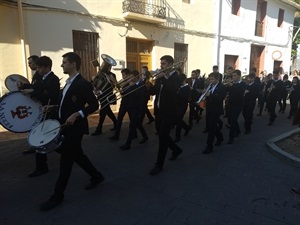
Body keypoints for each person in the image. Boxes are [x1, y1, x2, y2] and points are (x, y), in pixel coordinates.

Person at [40, 52, 104, 211]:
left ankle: (57, 196)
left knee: (66, 161)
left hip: (75, 129)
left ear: (73, 64)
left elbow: (94, 105)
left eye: (64, 62)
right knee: (78, 156)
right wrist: (54, 107)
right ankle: (96, 176)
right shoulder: (67, 82)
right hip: (64, 126)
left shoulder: (82, 84)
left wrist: (78, 114)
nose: (61, 65)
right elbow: (66, 103)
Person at [21, 56, 61, 177]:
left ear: (47, 67)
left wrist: (33, 92)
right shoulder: (43, 78)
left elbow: (50, 97)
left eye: (39, 67)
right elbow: (37, 89)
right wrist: (25, 87)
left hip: (48, 112)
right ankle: (71, 153)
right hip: (42, 111)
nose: (37, 70)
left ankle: (42, 167)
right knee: (46, 139)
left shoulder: (53, 79)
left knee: (42, 138)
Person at [149, 55, 182, 175]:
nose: (161, 66)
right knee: (162, 135)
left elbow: (172, 90)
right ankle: (176, 149)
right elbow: (153, 91)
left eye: (163, 64)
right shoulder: (160, 77)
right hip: (158, 110)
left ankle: (159, 165)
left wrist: (162, 78)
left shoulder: (176, 77)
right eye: (161, 63)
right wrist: (146, 82)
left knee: (163, 137)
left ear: (169, 64)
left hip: (169, 112)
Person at [119, 70, 148, 150]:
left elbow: (142, 99)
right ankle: (145, 136)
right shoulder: (131, 85)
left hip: (137, 108)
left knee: (132, 126)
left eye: (132, 77)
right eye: (130, 77)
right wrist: (123, 87)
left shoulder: (141, 85)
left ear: (137, 77)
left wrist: (141, 112)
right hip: (131, 107)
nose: (130, 78)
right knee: (138, 124)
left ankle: (128, 143)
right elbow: (125, 93)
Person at [21, 55, 43, 154]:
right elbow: (34, 87)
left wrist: (31, 89)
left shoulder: (40, 75)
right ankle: (34, 145)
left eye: (30, 63)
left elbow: (39, 90)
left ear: (36, 63)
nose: (29, 65)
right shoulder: (36, 74)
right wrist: (24, 86)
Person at [202, 72, 226, 154]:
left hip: (216, 110)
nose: (210, 81)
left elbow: (220, 98)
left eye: (212, 79)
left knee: (211, 128)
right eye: (209, 79)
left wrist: (210, 95)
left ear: (217, 79)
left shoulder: (222, 87)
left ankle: (209, 146)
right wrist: (204, 94)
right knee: (212, 125)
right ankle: (220, 137)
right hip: (209, 108)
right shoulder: (210, 86)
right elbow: (209, 96)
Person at [91, 68, 117, 135]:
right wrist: (93, 81)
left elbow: (114, 86)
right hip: (100, 96)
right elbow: (94, 84)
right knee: (107, 111)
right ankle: (116, 123)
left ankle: (99, 129)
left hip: (107, 96)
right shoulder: (100, 75)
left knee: (103, 112)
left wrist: (110, 80)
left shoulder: (112, 75)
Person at [226, 69, 246, 144]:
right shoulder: (232, 84)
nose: (233, 77)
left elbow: (239, 93)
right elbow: (227, 91)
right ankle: (238, 130)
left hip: (238, 104)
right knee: (231, 119)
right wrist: (227, 86)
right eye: (232, 76)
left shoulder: (242, 84)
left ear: (239, 76)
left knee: (233, 119)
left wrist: (232, 85)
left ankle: (231, 137)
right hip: (231, 104)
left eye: (235, 76)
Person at [175, 73, 191, 142]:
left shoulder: (187, 88)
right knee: (177, 119)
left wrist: (178, 94)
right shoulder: (178, 86)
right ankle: (187, 127)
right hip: (176, 105)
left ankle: (177, 136)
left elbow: (185, 98)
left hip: (182, 106)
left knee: (178, 120)